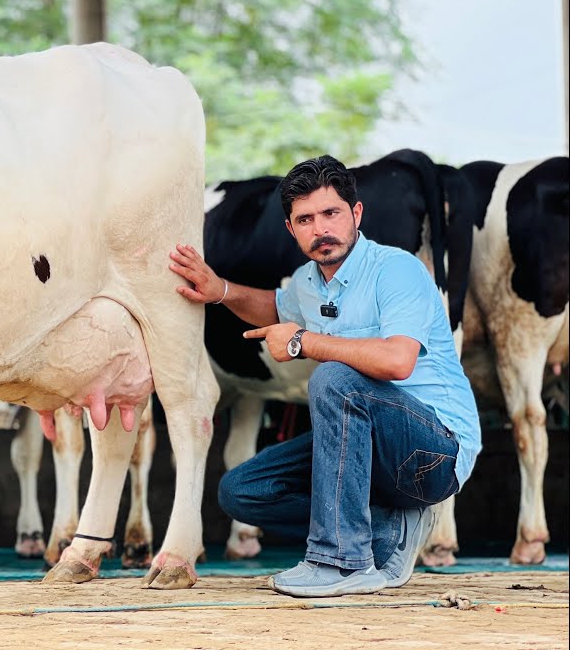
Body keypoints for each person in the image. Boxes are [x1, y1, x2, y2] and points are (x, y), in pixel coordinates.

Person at [168, 155, 480, 598]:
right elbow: (277, 306)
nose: (321, 228)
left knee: (334, 378)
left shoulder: (397, 269)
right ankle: (388, 529)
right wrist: (220, 289)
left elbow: (397, 362)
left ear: (356, 214)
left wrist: (303, 343)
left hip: (434, 451)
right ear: (291, 230)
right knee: (242, 491)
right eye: (306, 219)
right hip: (367, 457)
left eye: (331, 213)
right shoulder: (308, 283)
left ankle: (344, 562)